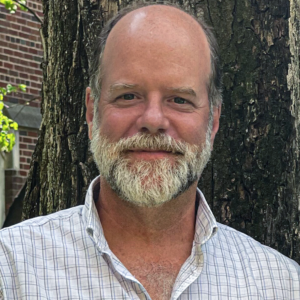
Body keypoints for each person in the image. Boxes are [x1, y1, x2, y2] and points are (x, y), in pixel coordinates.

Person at [0, 2, 299, 299]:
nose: (153, 120)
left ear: (213, 120)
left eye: (180, 99)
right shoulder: (11, 271)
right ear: (92, 113)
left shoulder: (281, 284)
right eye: (128, 96)